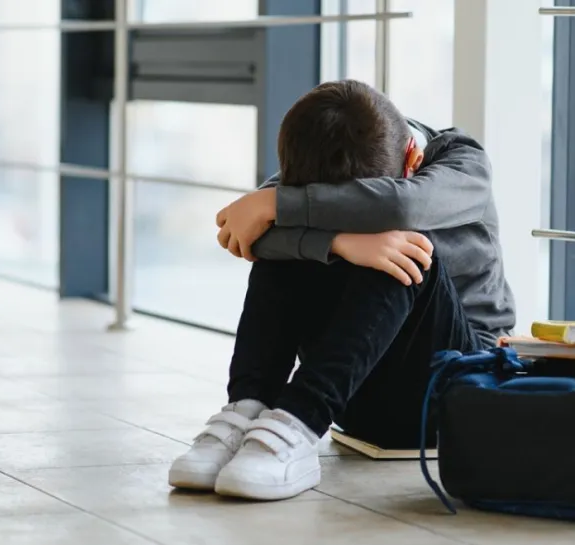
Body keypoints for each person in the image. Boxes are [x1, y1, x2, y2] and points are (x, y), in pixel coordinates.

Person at [168, 79, 515, 501]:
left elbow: (403, 205)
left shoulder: (463, 163)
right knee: (292, 250)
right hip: (352, 395)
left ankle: (299, 423)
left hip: (453, 392)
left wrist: (277, 204)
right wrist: (339, 242)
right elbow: (245, 236)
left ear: (413, 156)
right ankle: (247, 409)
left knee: (406, 250)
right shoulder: (320, 157)